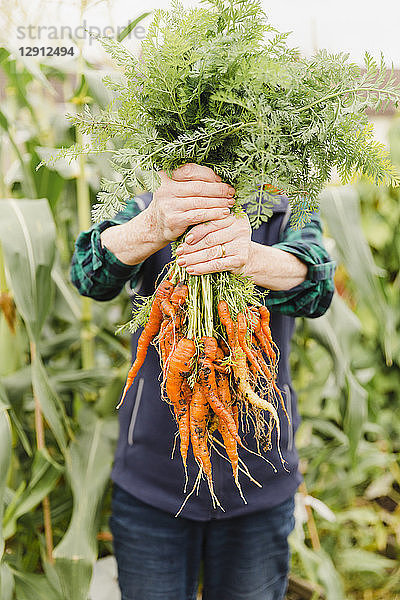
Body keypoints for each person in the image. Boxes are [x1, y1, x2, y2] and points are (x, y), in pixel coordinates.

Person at [71, 163, 335, 600]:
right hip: (152, 486)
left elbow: (318, 283)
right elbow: (87, 272)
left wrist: (249, 257)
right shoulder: (155, 207)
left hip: (259, 480)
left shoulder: (283, 211)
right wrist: (154, 226)